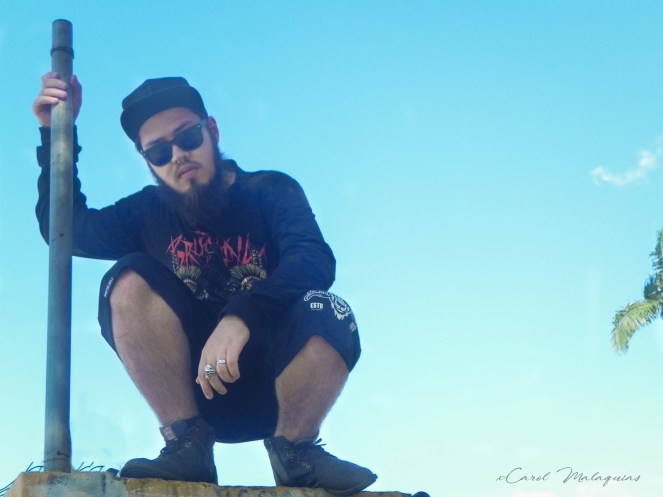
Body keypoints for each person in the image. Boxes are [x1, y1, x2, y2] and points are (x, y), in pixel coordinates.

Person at [32, 72, 377, 496]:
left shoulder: (269, 190)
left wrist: (240, 316)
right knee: (127, 277)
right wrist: (56, 134)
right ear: (147, 160)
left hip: (279, 384)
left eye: (188, 138)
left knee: (329, 308)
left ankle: (297, 452)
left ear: (211, 130)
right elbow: (65, 230)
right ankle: (186, 445)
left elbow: (312, 258)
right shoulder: (145, 212)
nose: (178, 155)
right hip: (198, 389)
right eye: (159, 151)